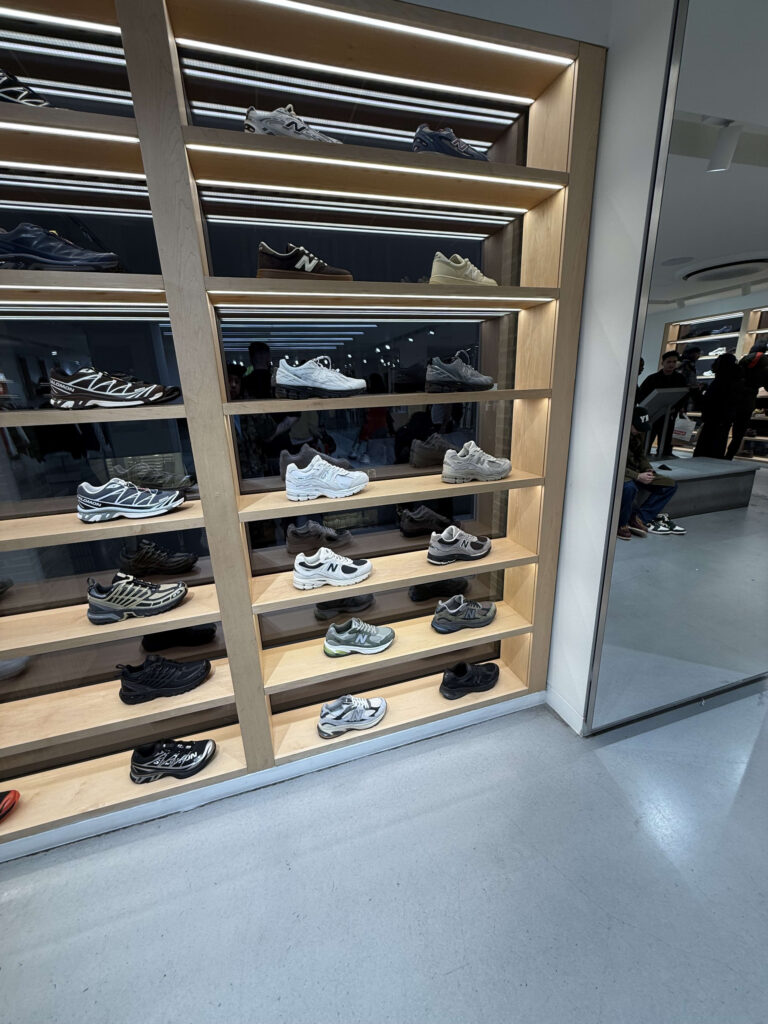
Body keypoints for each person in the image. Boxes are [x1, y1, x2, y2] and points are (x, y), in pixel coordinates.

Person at [618, 406, 686, 539]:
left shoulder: (639, 433)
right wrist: (637, 476)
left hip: (637, 470)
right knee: (629, 488)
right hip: (622, 473)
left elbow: (641, 456)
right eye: (637, 428)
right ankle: (621, 523)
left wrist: (647, 469)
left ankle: (639, 518)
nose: (639, 431)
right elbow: (614, 465)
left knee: (670, 485)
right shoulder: (618, 436)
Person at [636, 350, 688, 456]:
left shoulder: (680, 379)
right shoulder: (652, 379)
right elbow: (641, 395)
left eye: (674, 362)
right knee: (648, 438)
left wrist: (676, 408)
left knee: (667, 437)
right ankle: (644, 455)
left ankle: (665, 454)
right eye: (669, 362)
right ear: (663, 363)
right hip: (652, 414)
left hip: (669, 413)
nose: (671, 364)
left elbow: (683, 395)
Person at [693, 352, 740, 459]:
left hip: (714, 420)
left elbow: (708, 402)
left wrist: (696, 393)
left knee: (705, 450)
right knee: (718, 448)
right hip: (724, 420)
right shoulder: (734, 381)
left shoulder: (720, 382)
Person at [725, 342, 768, 459]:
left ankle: (718, 451)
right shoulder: (765, 363)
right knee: (739, 431)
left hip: (733, 396)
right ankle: (730, 455)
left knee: (725, 425)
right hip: (748, 399)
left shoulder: (744, 360)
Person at [678, 346, 702, 411]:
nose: (699, 356)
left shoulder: (687, 364)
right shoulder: (687, 365)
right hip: (686, 392)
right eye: (697, 353)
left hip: (686, 392)